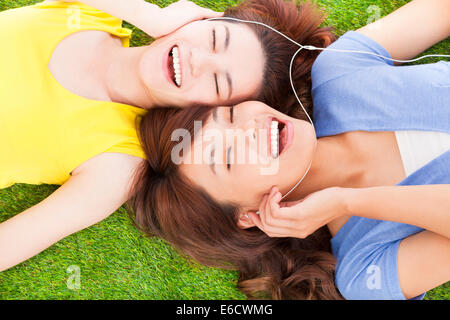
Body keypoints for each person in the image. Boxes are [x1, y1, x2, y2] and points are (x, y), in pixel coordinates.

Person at [127, 0, 450, 299]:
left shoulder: (337, 74)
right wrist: (346, 200)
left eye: (229, 115)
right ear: (248, 217)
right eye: (227, 157)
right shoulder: (364, 270)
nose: (247, 129)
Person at [0, 0, 333, 271]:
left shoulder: (118, 162)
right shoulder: (97, 15)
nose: (197, 59)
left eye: (218, 83)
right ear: (200, 18)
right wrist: (150, 17)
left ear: (211, 114)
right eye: (215, 39)